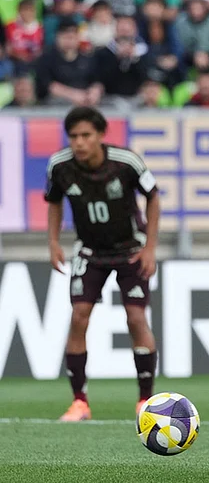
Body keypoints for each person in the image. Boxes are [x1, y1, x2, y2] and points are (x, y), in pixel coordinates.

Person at [45, 106, 160, 421]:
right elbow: (53, 201)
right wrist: (54, 242)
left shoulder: (126, 162)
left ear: (100, 136)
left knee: (136, 318)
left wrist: (150, 247)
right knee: (79, 316)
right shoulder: (59, 165)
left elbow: (153, 196)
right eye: (73, 136)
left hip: (131, 250)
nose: (79, 142)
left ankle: (145, 401)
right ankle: (79, 402)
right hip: (89, 252)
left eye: (86, 135)